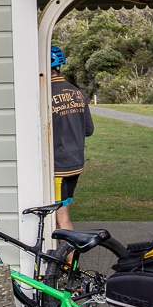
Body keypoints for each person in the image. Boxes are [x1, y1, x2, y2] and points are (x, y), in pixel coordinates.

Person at [50, 45, 94, 231]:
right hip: (75, 163)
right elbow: (88, 130)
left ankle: (69, 261)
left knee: (61, 220)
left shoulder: (45, 95)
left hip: (58, 167)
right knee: (62, 213)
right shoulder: (77, 92)